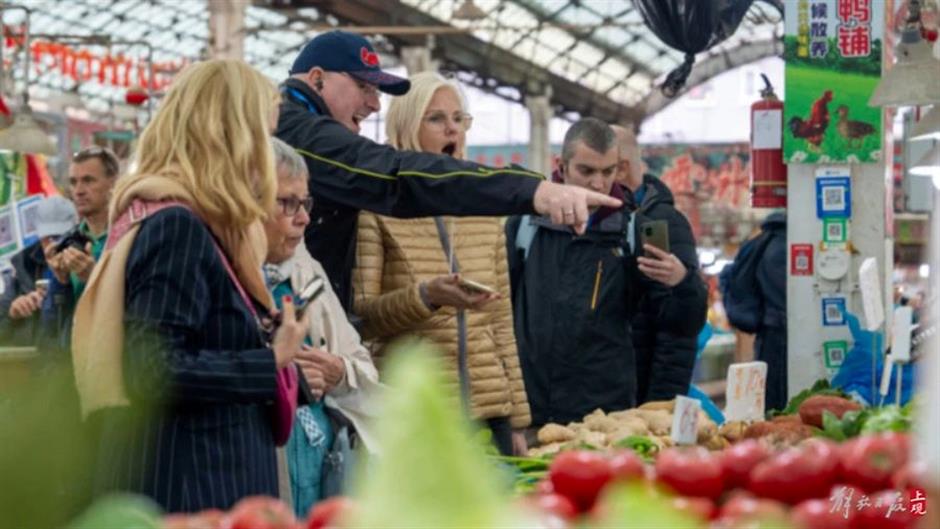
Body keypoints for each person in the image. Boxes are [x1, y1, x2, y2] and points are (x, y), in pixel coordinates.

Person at [70, 60, 309, 511]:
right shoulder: (177, 225)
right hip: (194, 487)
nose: (267, 154)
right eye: (263, 135)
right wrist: (268, 359)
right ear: (232, 138)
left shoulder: (182, 218)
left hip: (200, 481)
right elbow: (152, 367)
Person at [275, 30, 620, 313]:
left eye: (459, 118)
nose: (375, 104)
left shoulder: (295, 131)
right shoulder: (295, 133)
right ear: (317, 79)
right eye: (364, 87)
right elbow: (394, 175)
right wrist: (535, 191)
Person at [352, 72, 530, 456]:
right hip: (414, 411)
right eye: (436, 118)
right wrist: (425, 297)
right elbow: (362, 319)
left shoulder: (485, 209)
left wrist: (517, 419)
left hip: (489, 412)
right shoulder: (377, 207)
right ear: (406, 124)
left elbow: (502, 323)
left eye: (458, 118)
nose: (452, 128)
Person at [506, 118, 705, 428]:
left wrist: (682, 282)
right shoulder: (524, 226)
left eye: (607, 172)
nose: (598, 184)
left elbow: (681, 326)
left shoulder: (637, 230)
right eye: (587, 171)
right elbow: (500, 315)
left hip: (605, 419)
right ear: (563, 165)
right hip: (531, 413)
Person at [264, 138, 381, 515]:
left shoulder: (305, 267)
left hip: (320, 482)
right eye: (287, 203)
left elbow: (359, 361)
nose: (303, 218)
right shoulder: (224, 276)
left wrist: (339, 371)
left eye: (306, 203)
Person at [611, 125, 707, 403]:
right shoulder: (600, 219)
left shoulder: (660, 225)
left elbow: (677, 331)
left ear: (621, 168)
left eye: (600, 170)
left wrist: (660, 404)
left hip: (639, 394)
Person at [40, 147, 121, 352]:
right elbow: (52, 325)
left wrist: (94, 279)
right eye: (74, 182)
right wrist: (60, 283)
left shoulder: (128, 240)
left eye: (89, 180)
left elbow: (137, 311)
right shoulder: (68, 243)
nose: (79, 190)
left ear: (113, 183)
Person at [722, 211, 788, 410]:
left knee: (772, 400)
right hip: (778, 339)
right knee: (777, 404)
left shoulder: (766, 242)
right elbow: (784, 298)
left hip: (770, 337)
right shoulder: (781, 248)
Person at [0, 196, 78, 346]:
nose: (53, 243)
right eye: (47, 237)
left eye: (60, 236)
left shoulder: (85, 260)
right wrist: (13, 312)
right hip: (30, 360)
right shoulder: (23, 265)